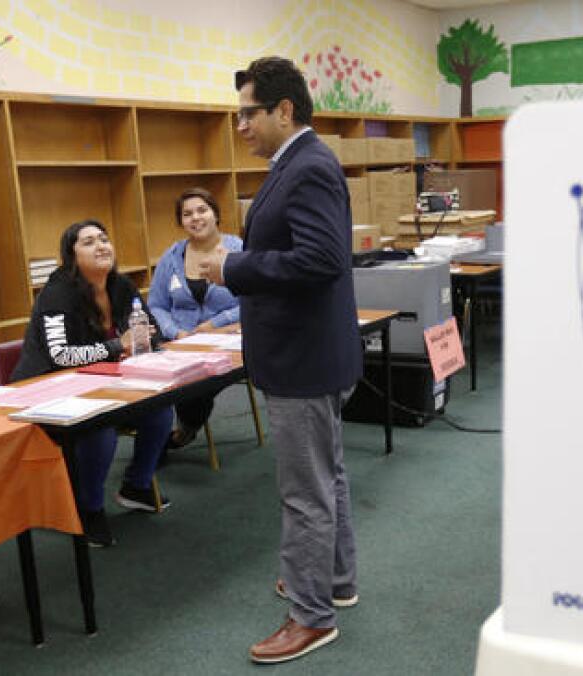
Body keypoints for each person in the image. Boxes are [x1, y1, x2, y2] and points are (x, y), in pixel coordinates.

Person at [194, 56, 363, 664]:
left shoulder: (308, 168)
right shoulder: (294, 165)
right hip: (310, 355)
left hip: (303, 360)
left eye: (247, 113)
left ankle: (311, 615)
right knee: (327, 477)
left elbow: (321, 261)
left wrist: (232, 267)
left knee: (305, 491)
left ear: (283, 110)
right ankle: (334, 582)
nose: (240, 125)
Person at [11, 219, 174, 548]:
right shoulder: (56, 293)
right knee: (98, 430)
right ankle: (88, 509)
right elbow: (60, 356)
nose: (101, 246)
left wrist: (144, 341)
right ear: (71, 257)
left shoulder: (121, 285)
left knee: (159, 410)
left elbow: (147, 330)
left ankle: (136, 486)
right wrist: (118, 346)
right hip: (48, 393)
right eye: (88, 242)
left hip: (99, 385)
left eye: (104, 238)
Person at [148, 187, 243, 453]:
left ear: (215, 214)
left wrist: (215, 324)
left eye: (202, 210)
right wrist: (175, 332)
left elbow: (254, 301)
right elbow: (156, 305)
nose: (195, 218)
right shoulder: (172, 256)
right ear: (181, 222)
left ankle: (183, 431)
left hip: (228, 342)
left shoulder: (238, 250)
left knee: (197, 383)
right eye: (187, 214)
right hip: (182, 343)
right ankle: (153, 442)